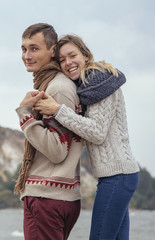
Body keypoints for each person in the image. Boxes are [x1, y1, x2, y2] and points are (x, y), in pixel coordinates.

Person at [32, 34, 140, 240]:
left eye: (72, 55)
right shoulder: (87, 86)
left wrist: (57, 110)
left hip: (117, 176)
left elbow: (97, 133)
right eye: (62, 60)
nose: (68, 63)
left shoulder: (99, 81)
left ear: (86, 55)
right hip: (117, 175)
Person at [14, 24, 83, 240]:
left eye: (34, 48)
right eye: (24, 49)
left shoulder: (58, 88)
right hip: (56, 196)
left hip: (47, 197)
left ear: (52, 51)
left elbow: (57, 149)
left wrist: (25, 115)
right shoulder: (53, 85)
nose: (27, 55)